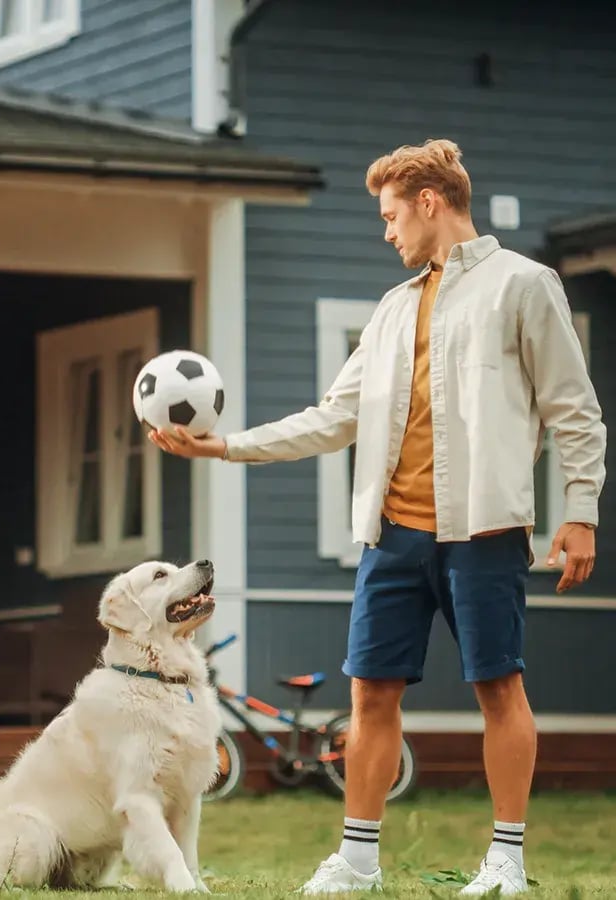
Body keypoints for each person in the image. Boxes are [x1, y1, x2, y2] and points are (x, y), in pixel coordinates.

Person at [149, 139, 605, 896]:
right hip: (390, 538)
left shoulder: (524, 286)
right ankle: (357, 859)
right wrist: (223, 446)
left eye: (392, 215)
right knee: (369, 693)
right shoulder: (392, 311)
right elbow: (334, 418)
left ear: (431, 203)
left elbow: (575, 411)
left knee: (499, 691)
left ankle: (508, 863)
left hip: (484, 533)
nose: (386, 232)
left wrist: (581, 507)